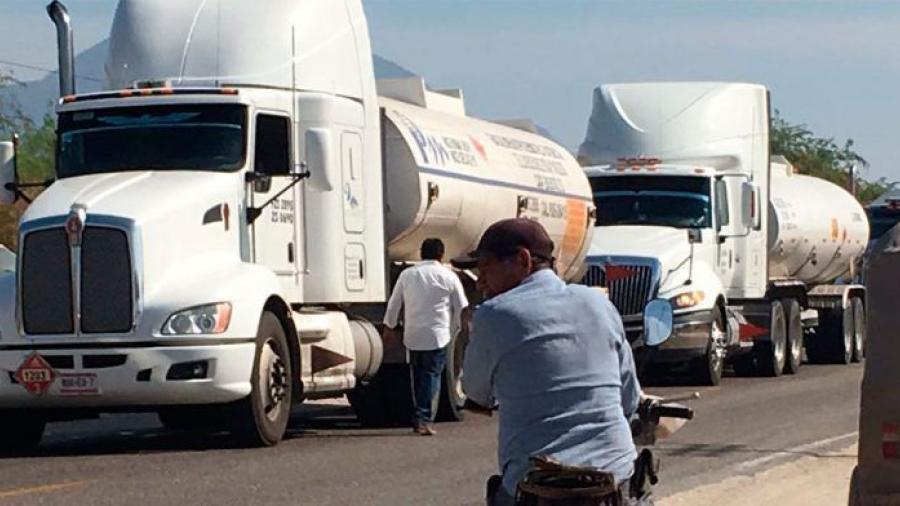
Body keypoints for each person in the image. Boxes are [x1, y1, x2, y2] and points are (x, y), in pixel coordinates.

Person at [452, 218, 644, 505]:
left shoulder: (494, 314)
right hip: (613, 479)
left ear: (522, 259)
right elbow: (629, 399)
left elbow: (475, 390)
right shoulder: (599, 304)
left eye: (486, 268)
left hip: (535, 485)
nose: (480, 281)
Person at [384, 238, 469, 436]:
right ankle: (423, 418)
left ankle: (419, 414)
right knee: (431, 375)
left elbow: (395, 303)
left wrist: (389, 326)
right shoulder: (448, 276)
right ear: (441, 254)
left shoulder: (408, 275)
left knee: (417, 375)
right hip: (437, 334)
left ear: (421, 253)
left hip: (413, 334)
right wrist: (461, 327)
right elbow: (461, 306)